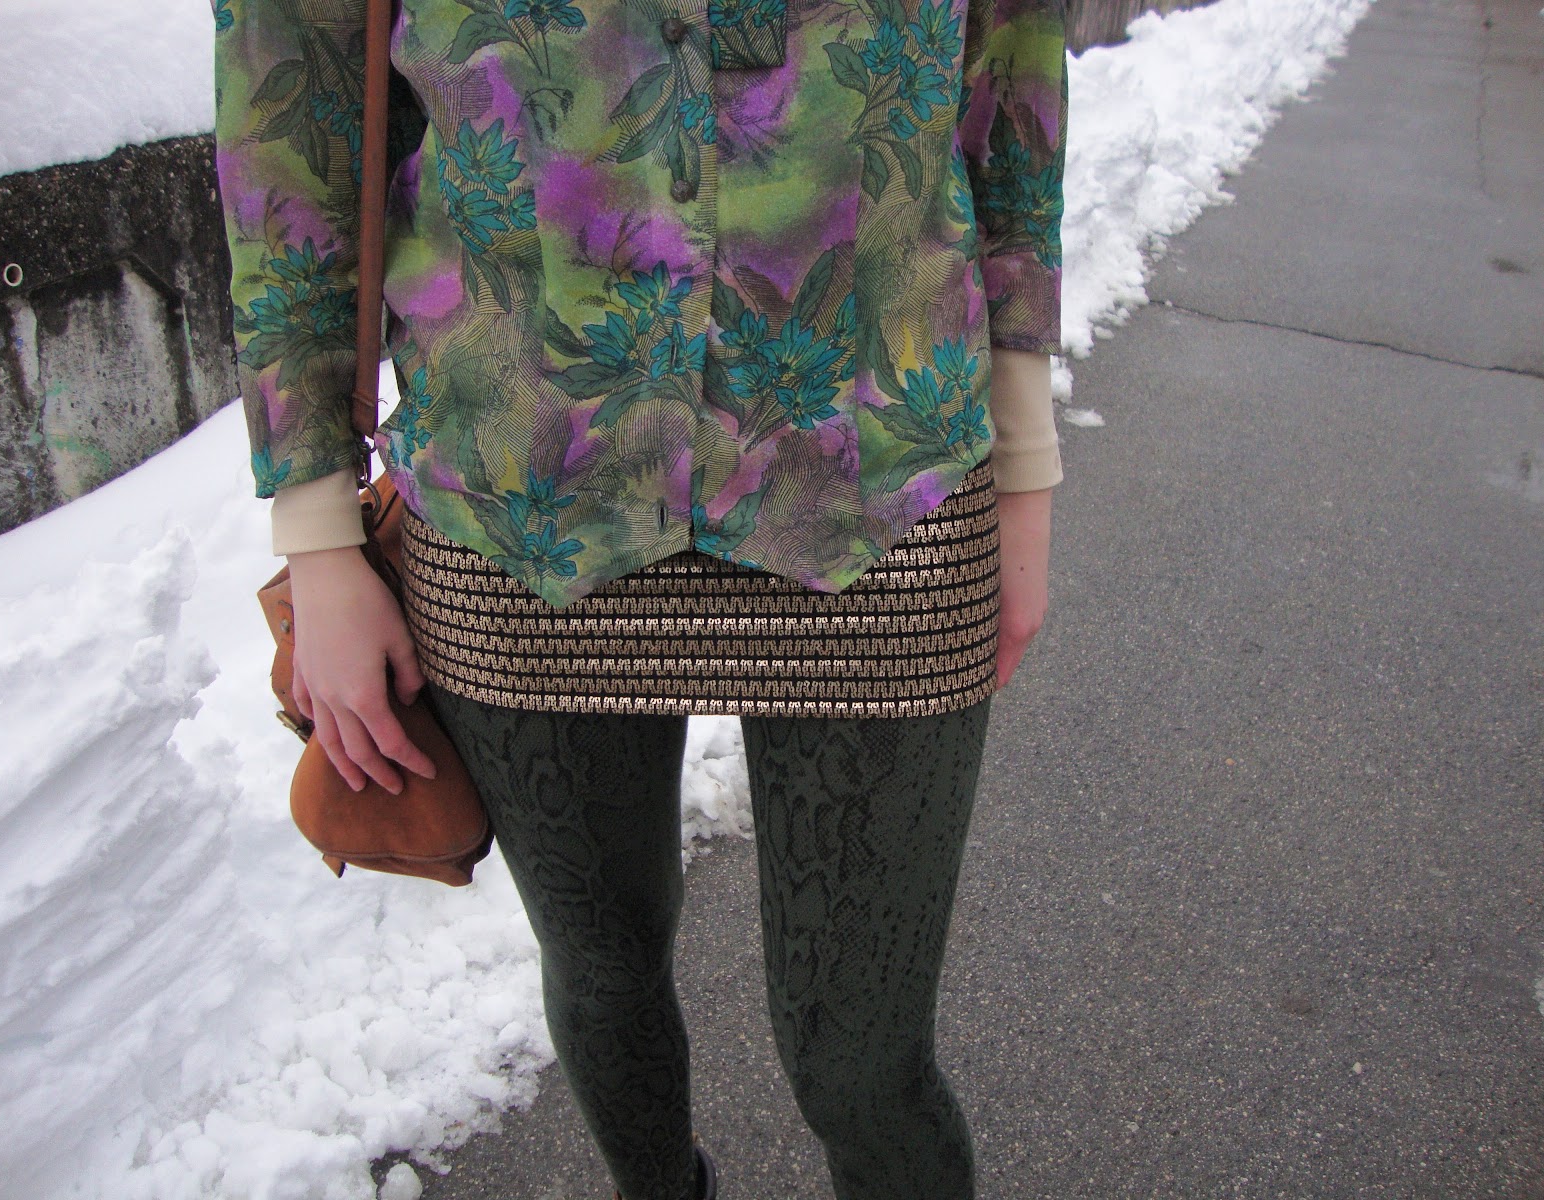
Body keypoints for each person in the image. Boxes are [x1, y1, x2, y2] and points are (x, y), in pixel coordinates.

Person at [213, 0, 1067, 1195]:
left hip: (883, 473)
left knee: (862, 1068)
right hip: (520, 491)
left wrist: (1024, 469)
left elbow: (1011, 79)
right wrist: (316, 535)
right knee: (602, 975)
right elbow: (290, 124)